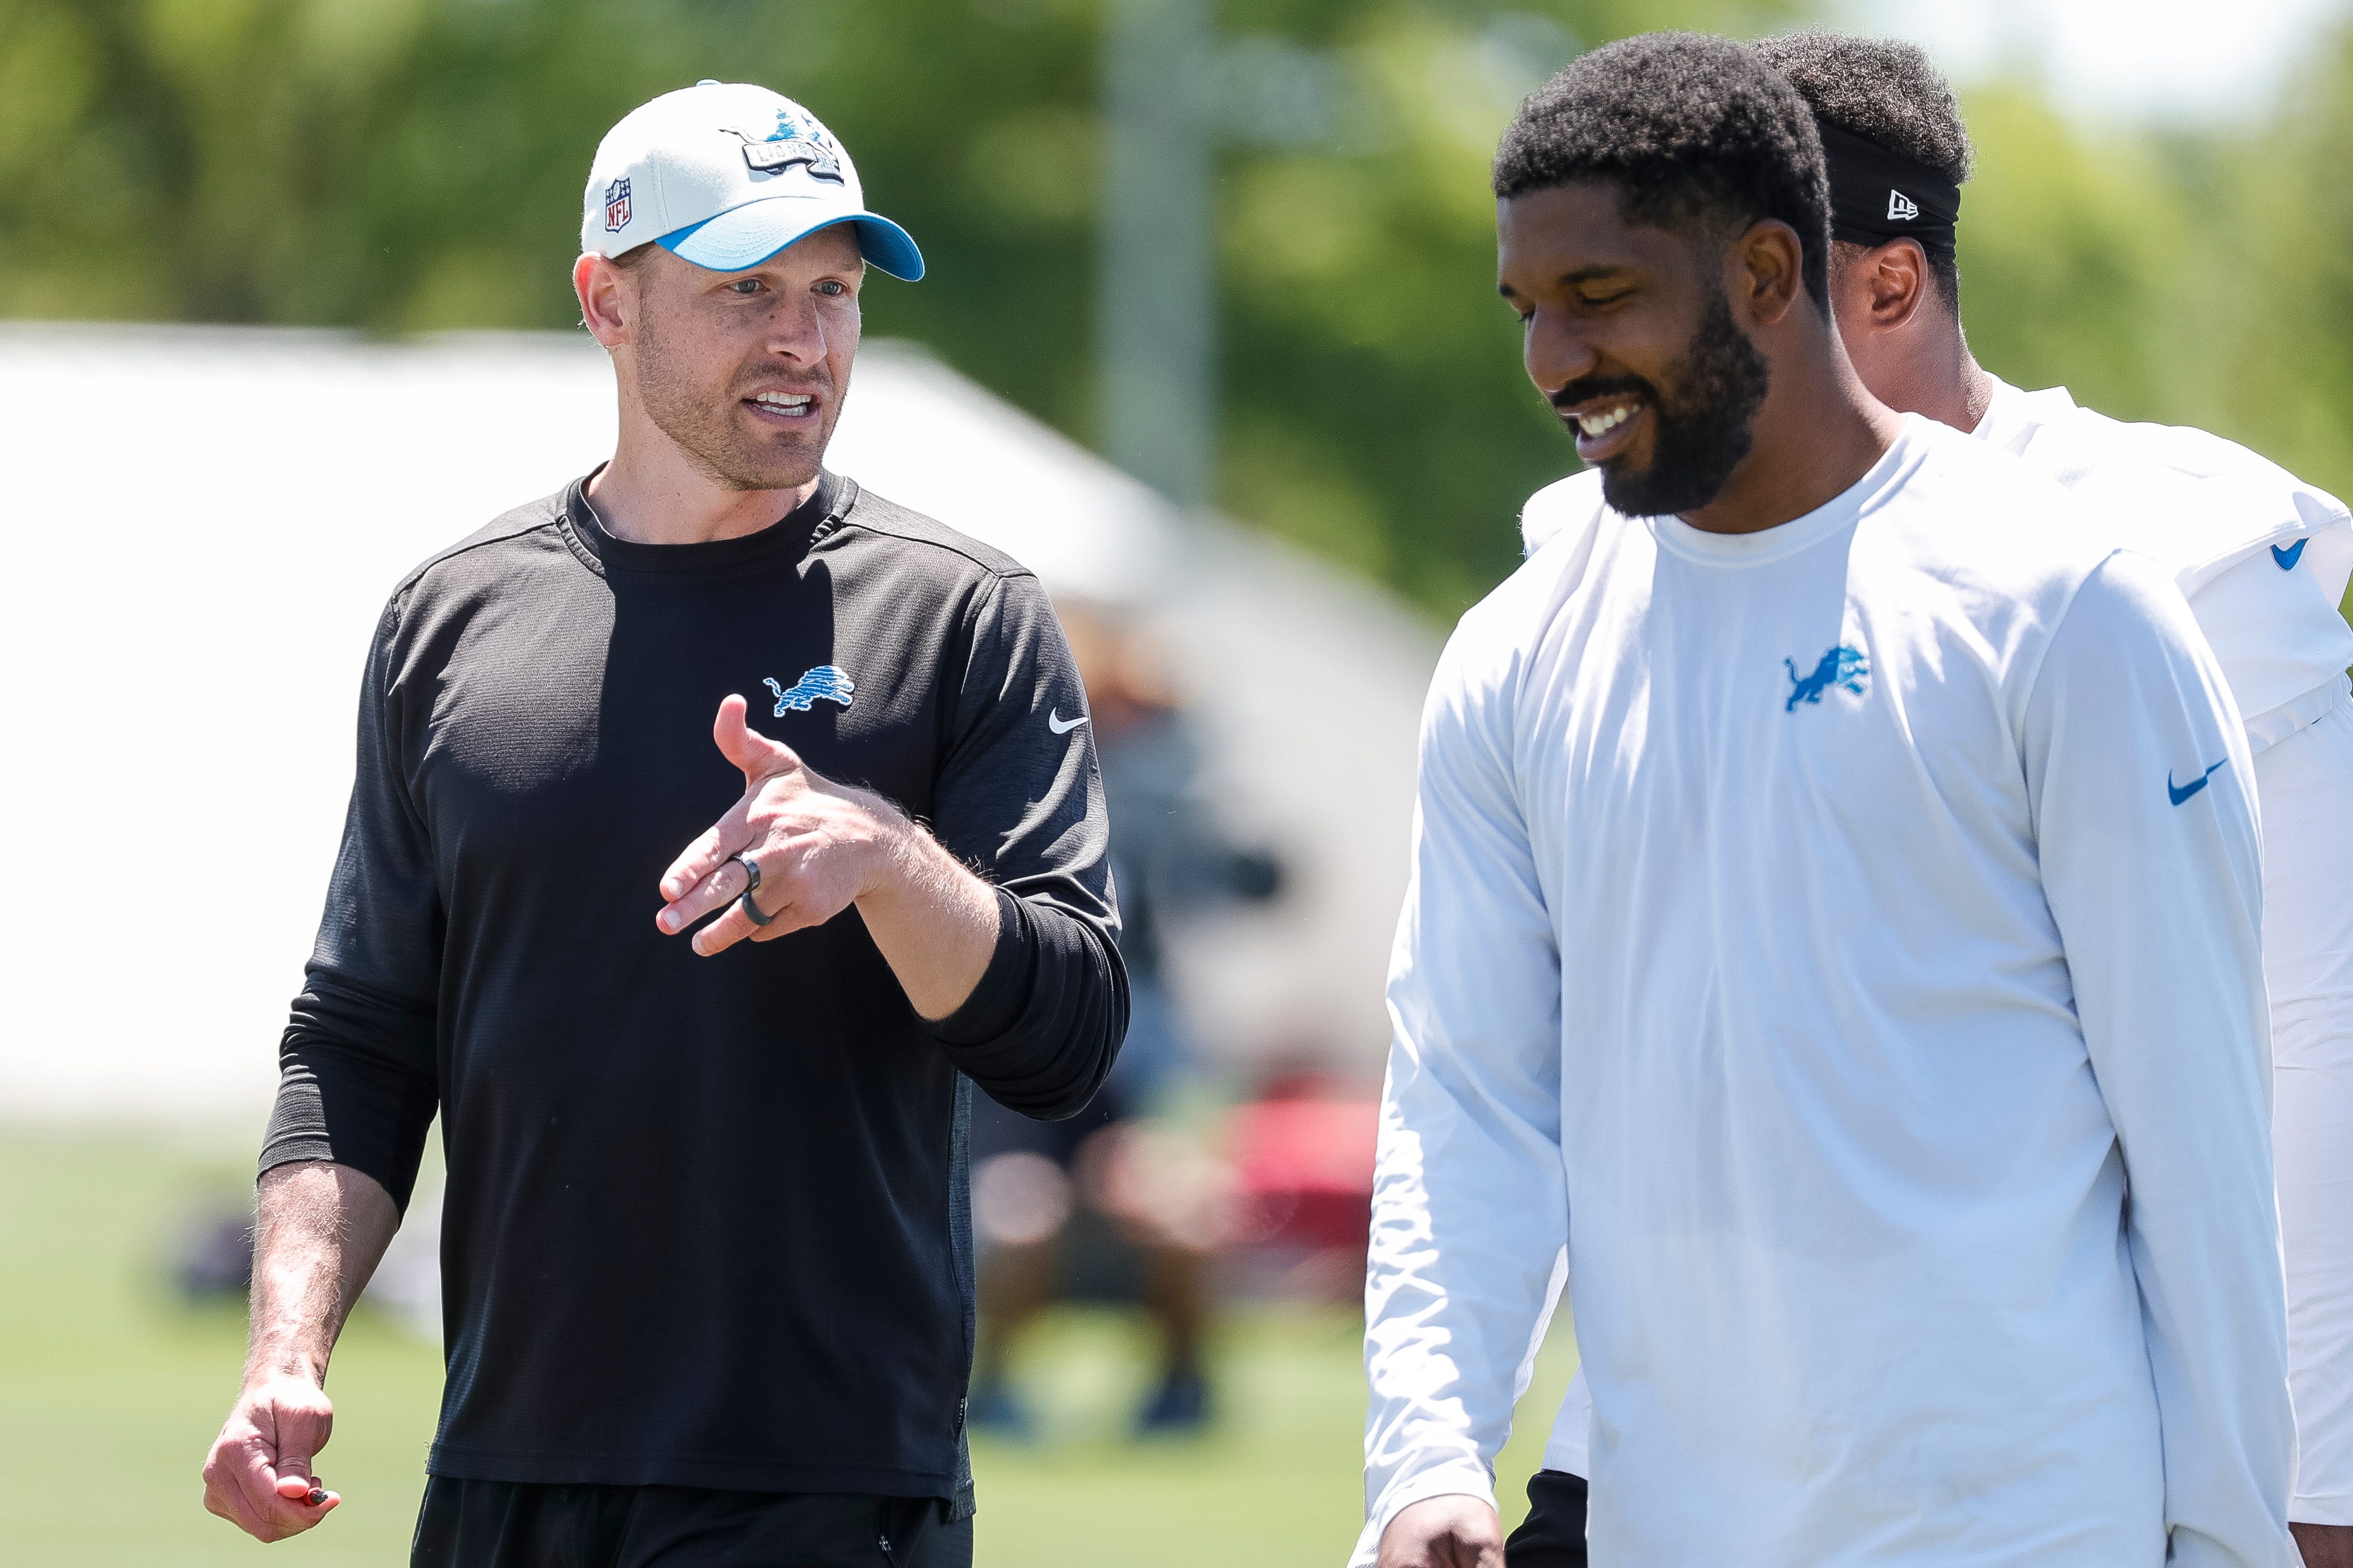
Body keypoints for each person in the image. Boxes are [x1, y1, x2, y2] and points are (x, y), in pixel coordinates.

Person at [1358, 32, 2296, 1568]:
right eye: (1528, 310)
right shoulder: (1514, 652)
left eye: (1599, 299)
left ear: (1769, 272)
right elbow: (1467, 1099)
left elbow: (2197, 1150)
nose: (1548, 362)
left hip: (2029, 1529)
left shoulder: (2064, 611)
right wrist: (1427, 1454)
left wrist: (2229, 1541)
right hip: (1664, 1528)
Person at [198, 80, 1127, 1568]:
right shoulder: (452, 619)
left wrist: (882, 863)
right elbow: (361, 1040)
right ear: (604, 301)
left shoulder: (960, 614)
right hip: (500, 1477)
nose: (803, 339)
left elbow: (1068, 1035)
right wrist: (284, 1351)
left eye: (832, 291)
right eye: (744, 288)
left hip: (823, 1488)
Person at [966, 603, 1280, 1438]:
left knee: (1181, 1207)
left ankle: (1182, 1388)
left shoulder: (1149, 814)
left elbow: (1243, 879)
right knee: (1013, 1212)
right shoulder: (992, 803)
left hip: (1124, 1078)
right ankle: (988, 1388)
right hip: (1012, 1091)